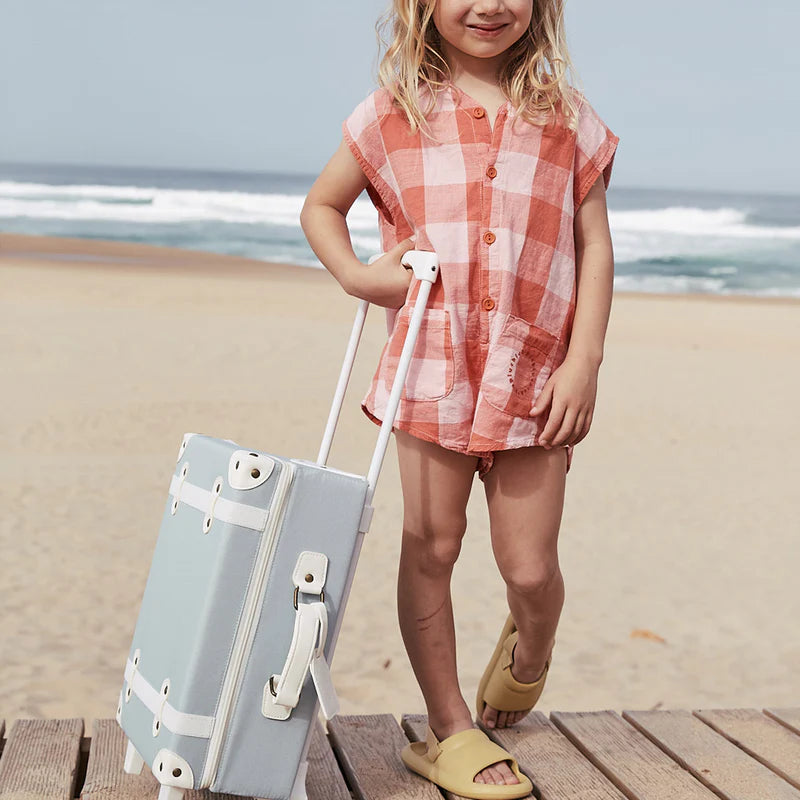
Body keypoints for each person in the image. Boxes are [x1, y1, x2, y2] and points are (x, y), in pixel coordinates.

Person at [300, 0, 619, 796]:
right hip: (430, 370)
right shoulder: (389, 115)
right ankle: (448, 728)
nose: (489, 5)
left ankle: (532, 647)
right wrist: (357, 275)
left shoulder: (568, 120)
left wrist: (584, 362)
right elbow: (321, 208)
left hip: (533, 379)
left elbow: (594, 244)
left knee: (530, 565)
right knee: (431, 546)